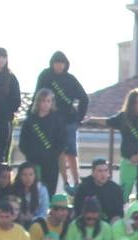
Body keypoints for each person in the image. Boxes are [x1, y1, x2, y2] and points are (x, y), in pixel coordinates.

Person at [35, 52, 89, 193]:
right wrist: (35, 116)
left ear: (65, 64)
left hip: (69, 121)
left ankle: (76, 182)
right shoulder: (45, 76)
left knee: (71, 151)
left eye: (61, 62)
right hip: (50, 121)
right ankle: (65, 181)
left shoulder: (70, 79)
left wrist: (79, 119)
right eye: (56, 62)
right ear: (52, 63)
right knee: (58, 152)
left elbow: (84, 98)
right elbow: (37, 95)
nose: (59, 65)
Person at [18, 89, 68, 196]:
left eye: (48, 101)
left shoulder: (57, 120)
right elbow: (23, 143)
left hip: (51, 164)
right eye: (43, 101)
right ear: (38, 102)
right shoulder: (30, 120)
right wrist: (31, 155)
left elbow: (61, 143)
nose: (45, 104)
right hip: (33, 164)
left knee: (48, 193)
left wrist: (51, 155)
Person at [75, 157, 125, 222]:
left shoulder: (116, 189)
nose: (103, 174)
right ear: (93, 173)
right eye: (100, 171)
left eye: (105, 170)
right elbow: (78, 210)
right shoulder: (84, 188)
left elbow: (119, 212)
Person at [7, 162, 49, 228]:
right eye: (24, 175)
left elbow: (43, 212)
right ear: (19, 176)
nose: (28, 178)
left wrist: (32, 218)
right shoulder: (13, 189)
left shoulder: (41, 189)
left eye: (31, 174)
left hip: (36, 223)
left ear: (35, 176)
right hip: (16, 222)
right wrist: (20, 216)